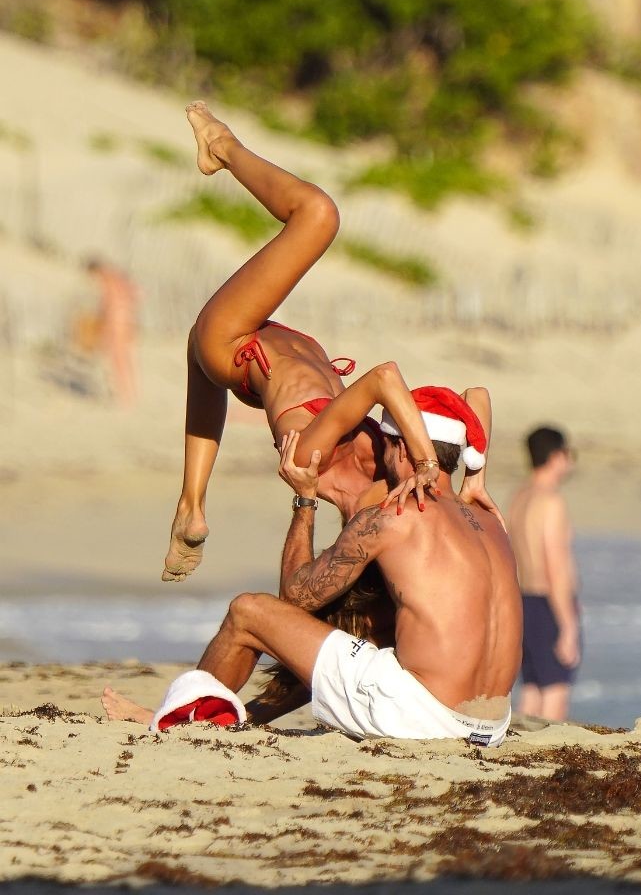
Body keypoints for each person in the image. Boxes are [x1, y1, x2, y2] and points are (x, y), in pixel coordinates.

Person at [103, 387, 522, 745]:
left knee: (249, 612)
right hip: (490, 725)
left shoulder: (394, 515)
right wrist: (476, 476)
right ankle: (235, 720)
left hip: (418, 717)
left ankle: (179, 722)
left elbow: (297, 598)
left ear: (400, 448)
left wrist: (304, 499)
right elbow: (477, 395)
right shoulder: (489, 520)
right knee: (362, 636)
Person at [163, 101, 443, 583]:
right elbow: (473, 401)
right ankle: (190, 507)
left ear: (364, 514)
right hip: (247, 352)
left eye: (398, 502)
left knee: (317, 214)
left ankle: (222, 146)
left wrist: (425, 462)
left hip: (232, 340)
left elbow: (384, 377)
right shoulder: (374, 458)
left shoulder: (312, 456)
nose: (405, 494)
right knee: (198, 355)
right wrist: (473, 479)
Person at [509, 426, 580, 722]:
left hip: (522, 602)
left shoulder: (520, 497)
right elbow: (555, 566)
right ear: (556, 456)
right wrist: (568, 626)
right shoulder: (551, 501)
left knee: (532, 690)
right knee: (555, 695)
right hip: (548, 604)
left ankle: (521, 747)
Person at [83, 258, 139, 406]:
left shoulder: (106, 279)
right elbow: (136, 294)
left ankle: (123, 396)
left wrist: (100, 320)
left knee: (117, 359)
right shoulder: (117, 276)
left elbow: (107, 304)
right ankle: (130, 393)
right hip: (127, 321)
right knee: (127, 358)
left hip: (115, 324)